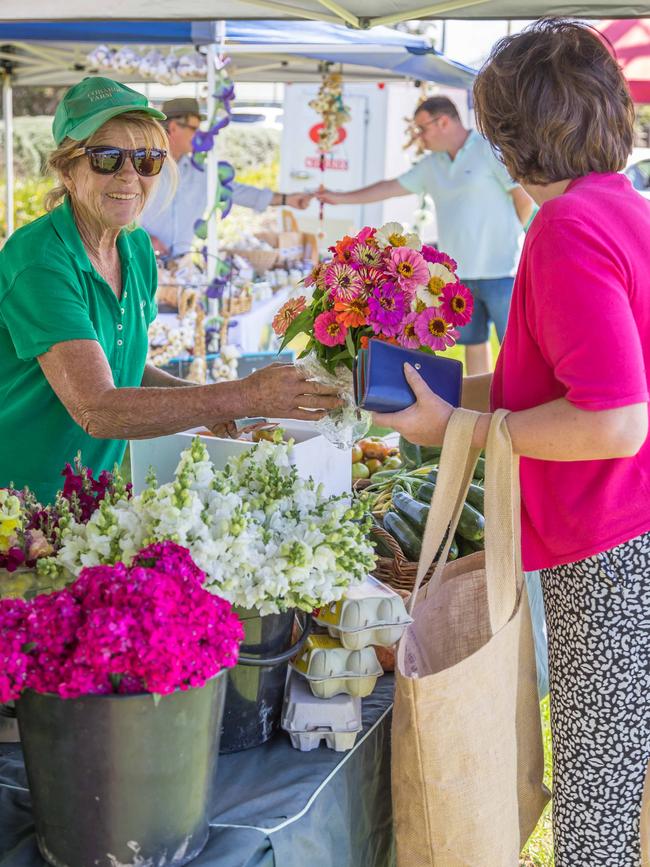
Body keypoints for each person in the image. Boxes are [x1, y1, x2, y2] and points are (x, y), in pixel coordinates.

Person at [372, 20, 650, 866]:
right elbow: (564, 384)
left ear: (513, 135)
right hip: (623, 536)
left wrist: (458, 428)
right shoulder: (621, 207)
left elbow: (613, 418)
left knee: (599, 796)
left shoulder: (567, 231)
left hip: (609, 547)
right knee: (618, 776)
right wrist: (444, 396)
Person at [0, 77, 340, 504]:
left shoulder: (135, 247)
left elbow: (124, 366)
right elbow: (98, 407)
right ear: (67, 170)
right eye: (107, 158)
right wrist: (242, 394)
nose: (130, 176)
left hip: (88, 492)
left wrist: (223, 403)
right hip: (18, 496)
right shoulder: (39, 261)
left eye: (147, 159)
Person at [316, 95, 533, 375]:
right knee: (474, 344)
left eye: (422, 128)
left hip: (504, 270)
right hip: (460, 276)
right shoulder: (432, 165)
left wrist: (509, 232)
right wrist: (339, 198)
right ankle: (484, 409)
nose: (419, 136)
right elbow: (390, 188)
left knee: (516, 349)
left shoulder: (490, 150)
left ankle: (523, 414)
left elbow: (523, 196)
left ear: (443, 121)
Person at [140, 97, 312, 259]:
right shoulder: (143, 166)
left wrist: (286, 199)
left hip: (179, 265)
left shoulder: (199, 172)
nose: (199, 135)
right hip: (141, 258)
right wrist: (145, 239)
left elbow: (238, 192)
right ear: (174, 127)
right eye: (194, 129)